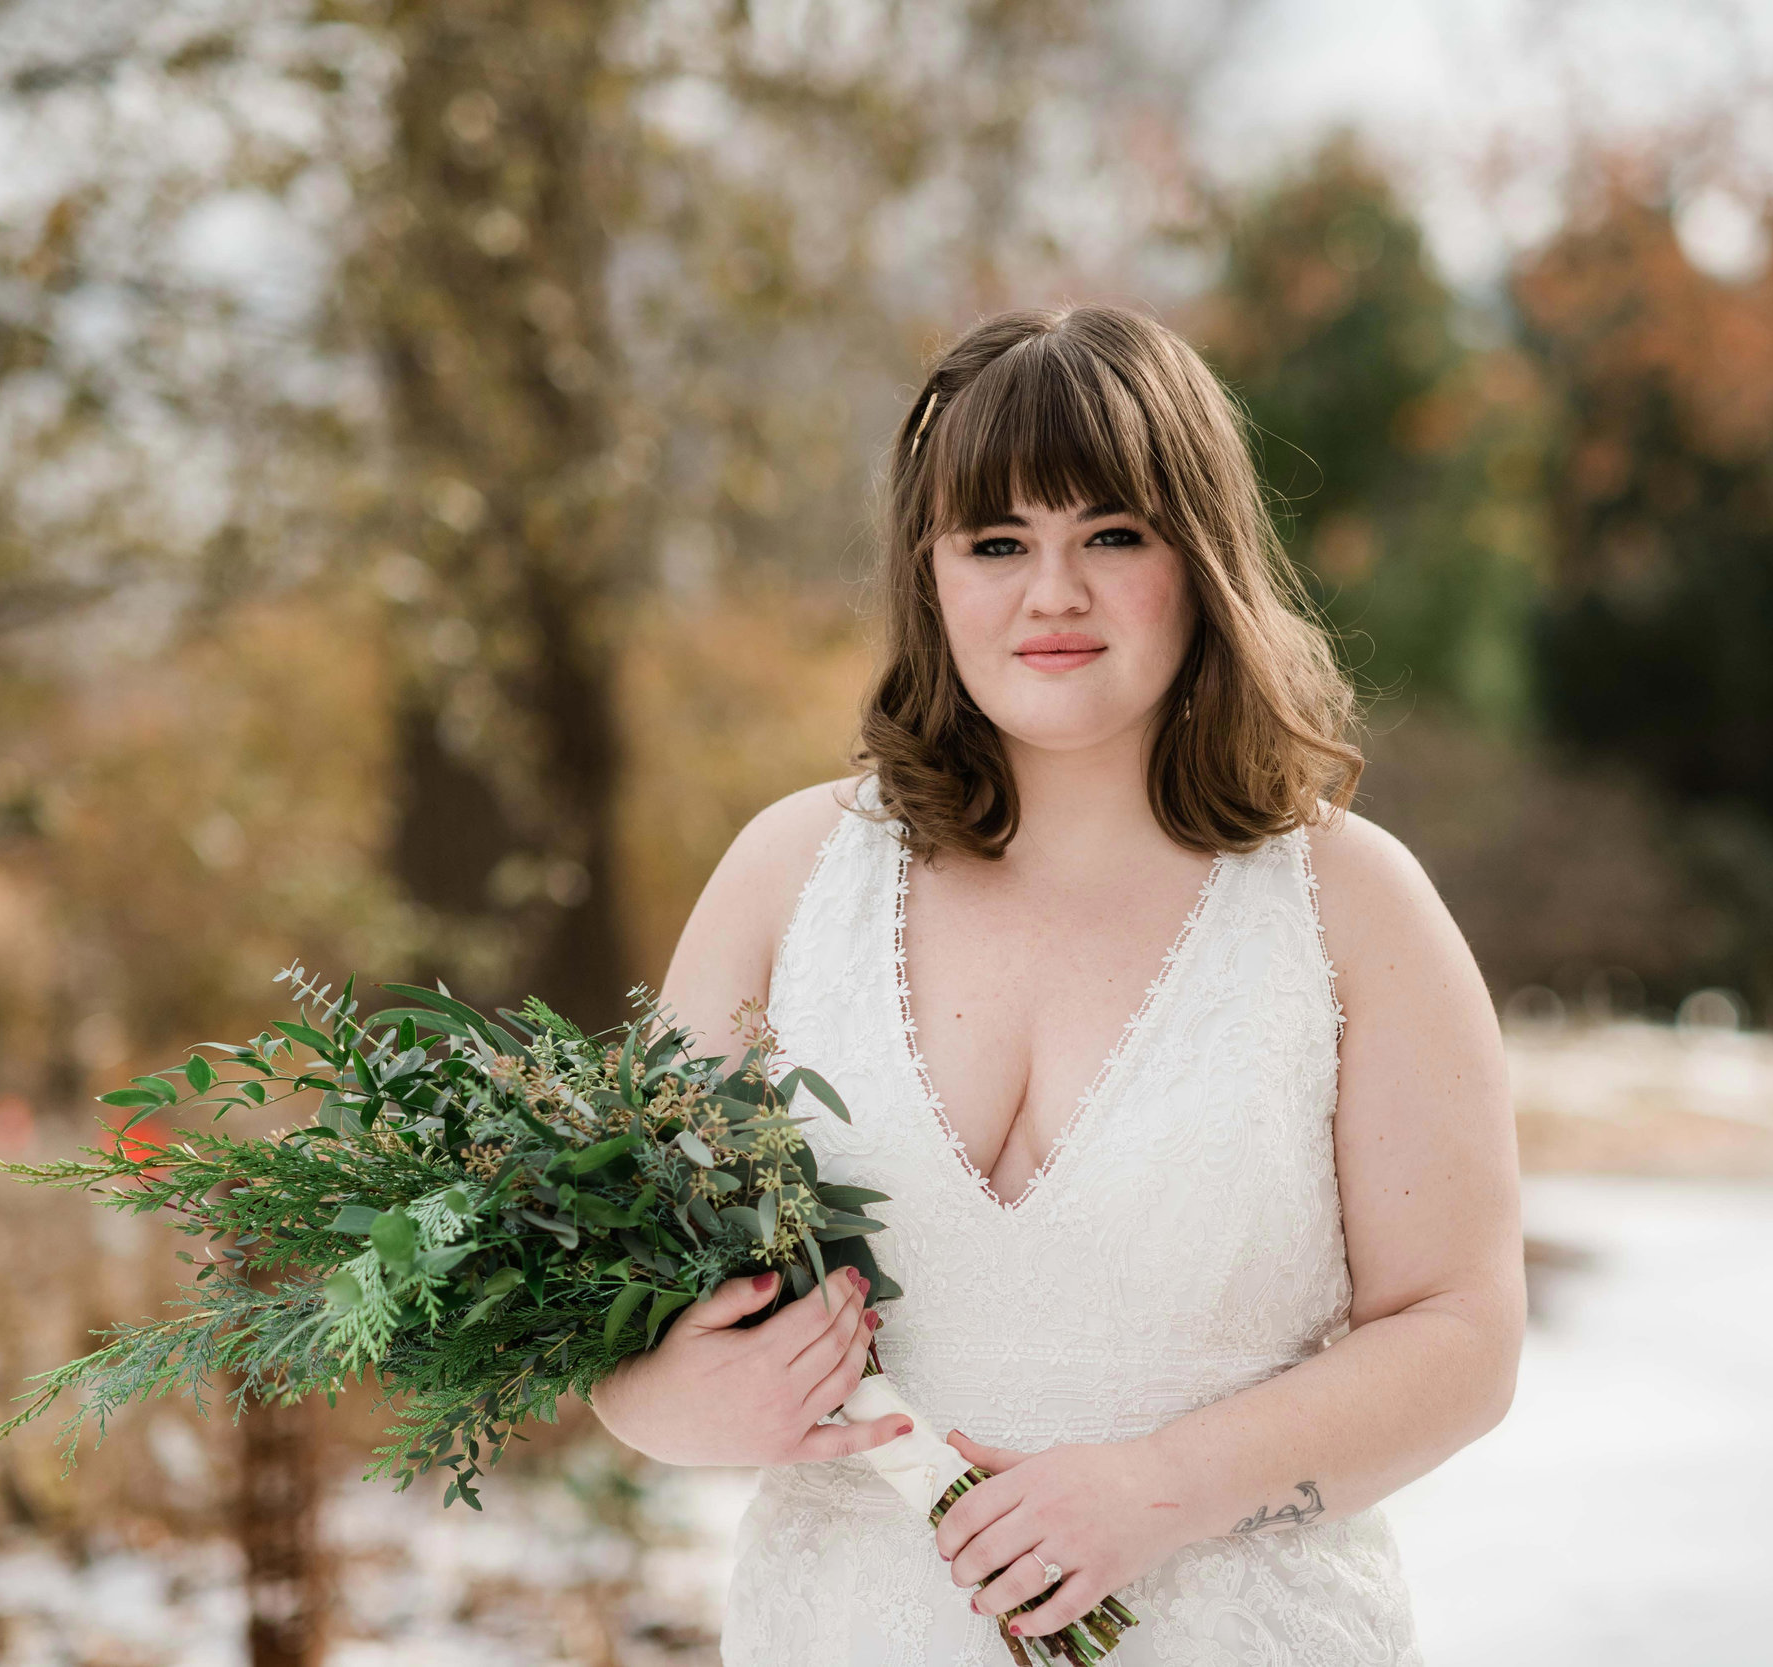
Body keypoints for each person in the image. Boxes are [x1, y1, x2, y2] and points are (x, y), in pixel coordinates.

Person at [591, 303, 1523, 1665]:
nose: (1054, 595)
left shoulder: (1349, 904)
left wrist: (1157, 1491)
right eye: (997, 544)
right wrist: (676, 1399)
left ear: (1199, 557)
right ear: (932, 574)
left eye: (1113, 536)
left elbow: (1463, 1336)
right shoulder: (786, 878)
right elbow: (626, 1325)